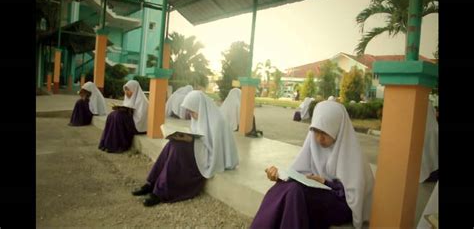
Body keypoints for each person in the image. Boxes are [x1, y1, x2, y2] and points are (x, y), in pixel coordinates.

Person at [251, 100, 374, 229]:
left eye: (324, 133)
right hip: (317, 196)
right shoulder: (314, 145)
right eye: (316, 131)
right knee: (283, 187)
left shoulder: (351, 154)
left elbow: (353, 197)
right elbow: (298, 172)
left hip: (342, 205)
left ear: (337, 128)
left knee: (295, 191)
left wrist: (325, 182)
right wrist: (279, 175)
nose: (318, 138)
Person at [132, 90, 239, 206]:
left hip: (209, 156)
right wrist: (187, 137)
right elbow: (198, 134)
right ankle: (151, 183)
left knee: (178, 148)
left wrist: (191, 140)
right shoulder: (200, 116)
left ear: (199, 106)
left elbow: (215, 149)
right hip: (199, 149)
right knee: (172, 144)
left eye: (191, 110)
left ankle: (160, 192)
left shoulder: (217, 121)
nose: (190, 114)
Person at [98, 80, 148, 153]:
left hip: (137, 126)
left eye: (129, 90)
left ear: (134, 89)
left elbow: (140, 119)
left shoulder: (143, 102)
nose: (126, 92)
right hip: (130, 121)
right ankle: (107, 144)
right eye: (126, 90)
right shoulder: (128, 98)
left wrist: (128, 112)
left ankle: (118, 145)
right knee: (112, 115)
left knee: (118, 116)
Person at [419, 101, 438, 183]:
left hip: (424, 131)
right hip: (431, 131)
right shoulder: (427, 103)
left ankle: (427, 174)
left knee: (426, 155)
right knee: (432, 154)